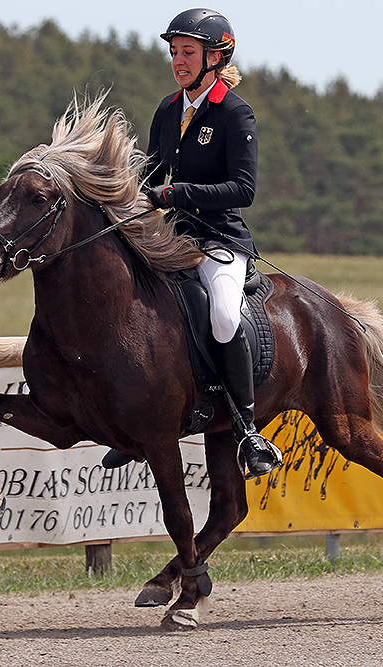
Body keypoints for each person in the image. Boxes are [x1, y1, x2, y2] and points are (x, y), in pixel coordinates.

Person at [103, 8, 283, 479]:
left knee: (223, 316)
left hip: (220, 238)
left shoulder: (234, 113)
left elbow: (243, 189)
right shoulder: (168, 109)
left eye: (187, 52)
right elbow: (153, 172)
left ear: (215, 57)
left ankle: (247, 428)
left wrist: (176, 194)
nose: (178, 61)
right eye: (174, 52)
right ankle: (142, 422)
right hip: (171, 237)